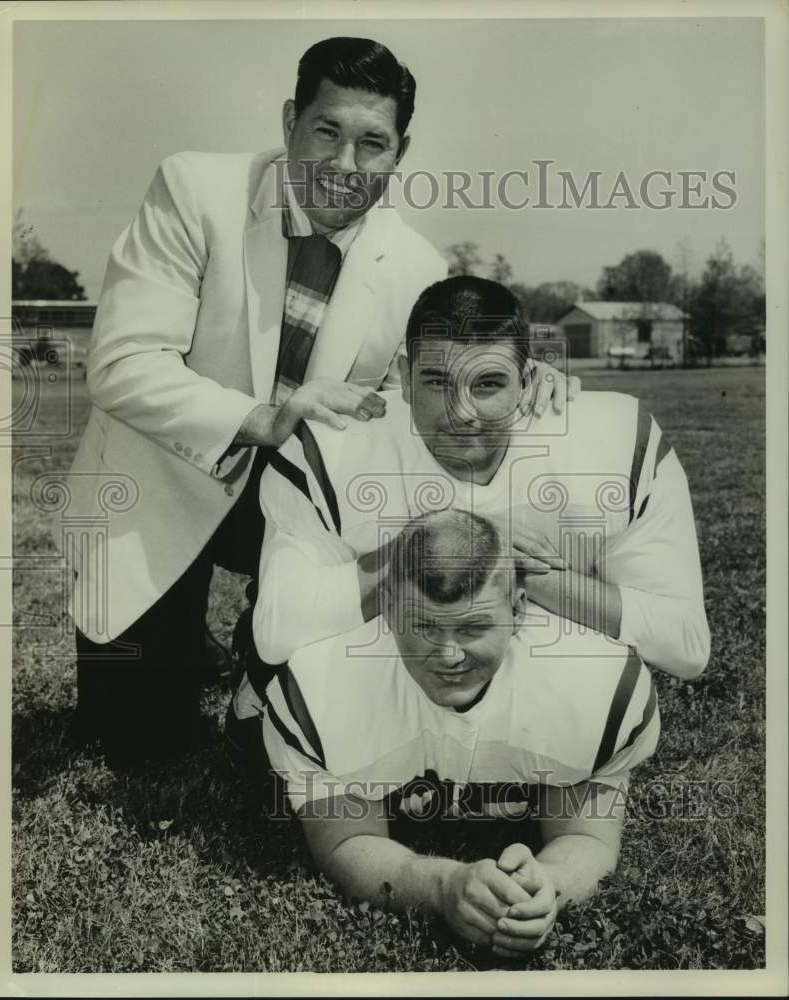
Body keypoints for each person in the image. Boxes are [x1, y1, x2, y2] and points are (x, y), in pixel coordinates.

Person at [58, 38, 575, 763]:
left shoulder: (418, 266)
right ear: (289, 120)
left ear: (400, 152)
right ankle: (176, 642)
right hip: (159, 479)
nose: (344, 165)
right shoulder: (194, 189)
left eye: (372, 144)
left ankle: (260, 656)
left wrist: (522, 385)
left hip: (290, 506)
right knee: (139, 743)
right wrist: (262, 419)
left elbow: (431, 405)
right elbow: (120, 364)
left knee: (268, 740)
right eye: (326, 132)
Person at [241, 275, 710, 686]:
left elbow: (686, 644)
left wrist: (500, 557)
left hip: (548, 703)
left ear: (527, 380)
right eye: (437, 383)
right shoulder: (329, 448)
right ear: (403, 378)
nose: (462, 413)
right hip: (384, 695)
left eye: (488, 384)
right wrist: (440, 543)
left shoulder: (615, 436)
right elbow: (276, 631)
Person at [255, 509, 659, 956]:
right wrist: (442, 887)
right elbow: (346, 840)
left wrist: (551, 883)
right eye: (425, 626)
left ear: (519, 609)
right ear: (388, 608)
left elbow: (586, 834)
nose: (449, 655)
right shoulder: (317, 688)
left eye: (472, 627)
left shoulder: (597, 684)